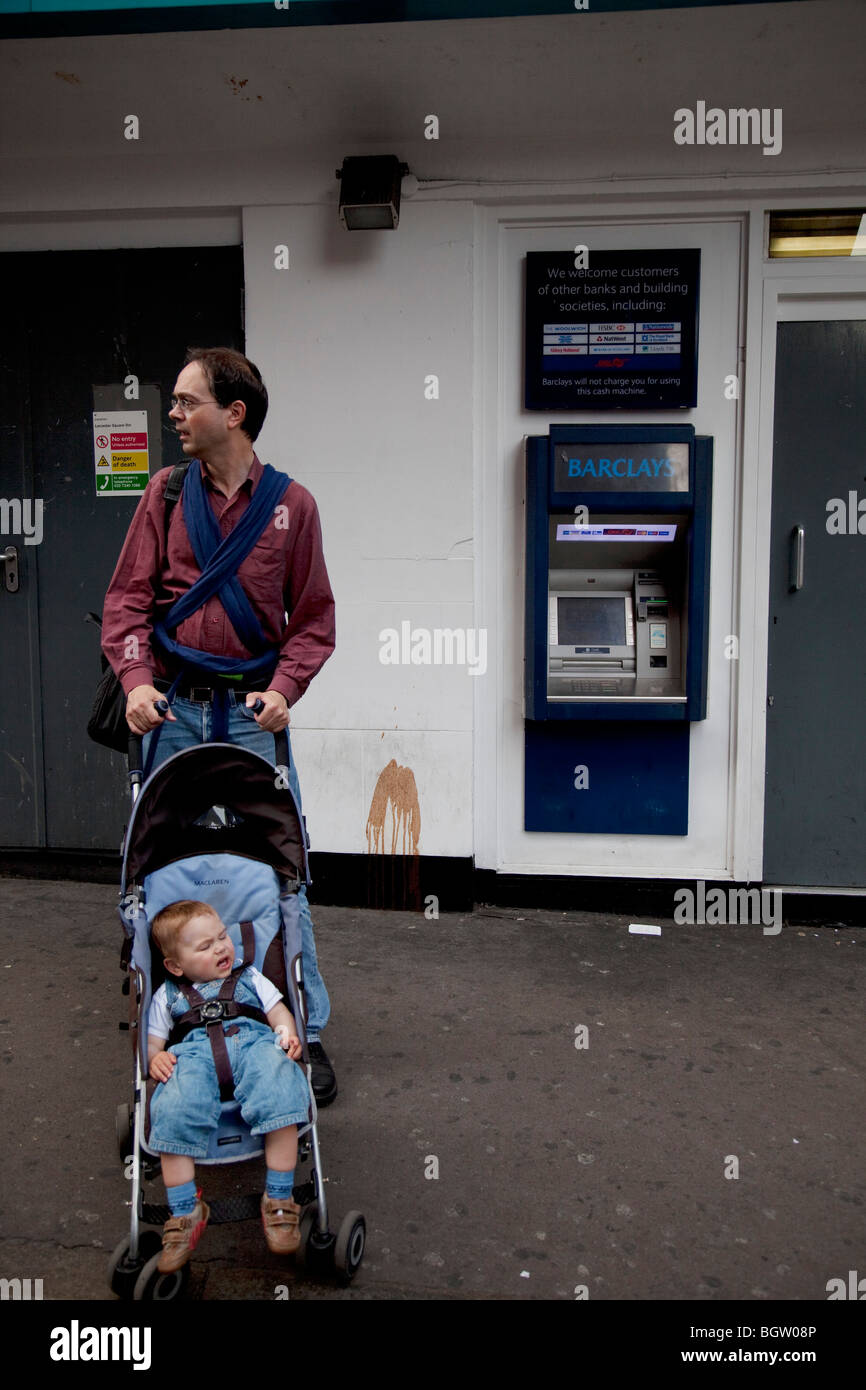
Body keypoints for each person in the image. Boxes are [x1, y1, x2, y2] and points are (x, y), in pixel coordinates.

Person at [101, 346, 338, 1104]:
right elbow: (127, 604)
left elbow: (314, 620)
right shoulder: (165, 496)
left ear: (232, 413)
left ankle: (303, 1020)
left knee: (282, 860)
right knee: (156, 860)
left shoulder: (292, 507)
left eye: (185, 401)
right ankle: (163, 1014)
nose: (173, 415)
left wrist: (286, 687)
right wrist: (135, 681)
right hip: (172, 709)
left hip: (251, 717)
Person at [147, 900, 310, 1271]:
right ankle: (186, 1210)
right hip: (192, 1058)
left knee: (279, 1079)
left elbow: (277, 1011)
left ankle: (280, 1198)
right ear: (175, 966)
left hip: (253, 1045)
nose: (221, 947)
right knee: (171, 1105)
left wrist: (285, 1034)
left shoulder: (250, 976)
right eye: (205, 946)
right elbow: (153, 1041)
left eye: (222, 936)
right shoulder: (168, 995)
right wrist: (155, 1056)